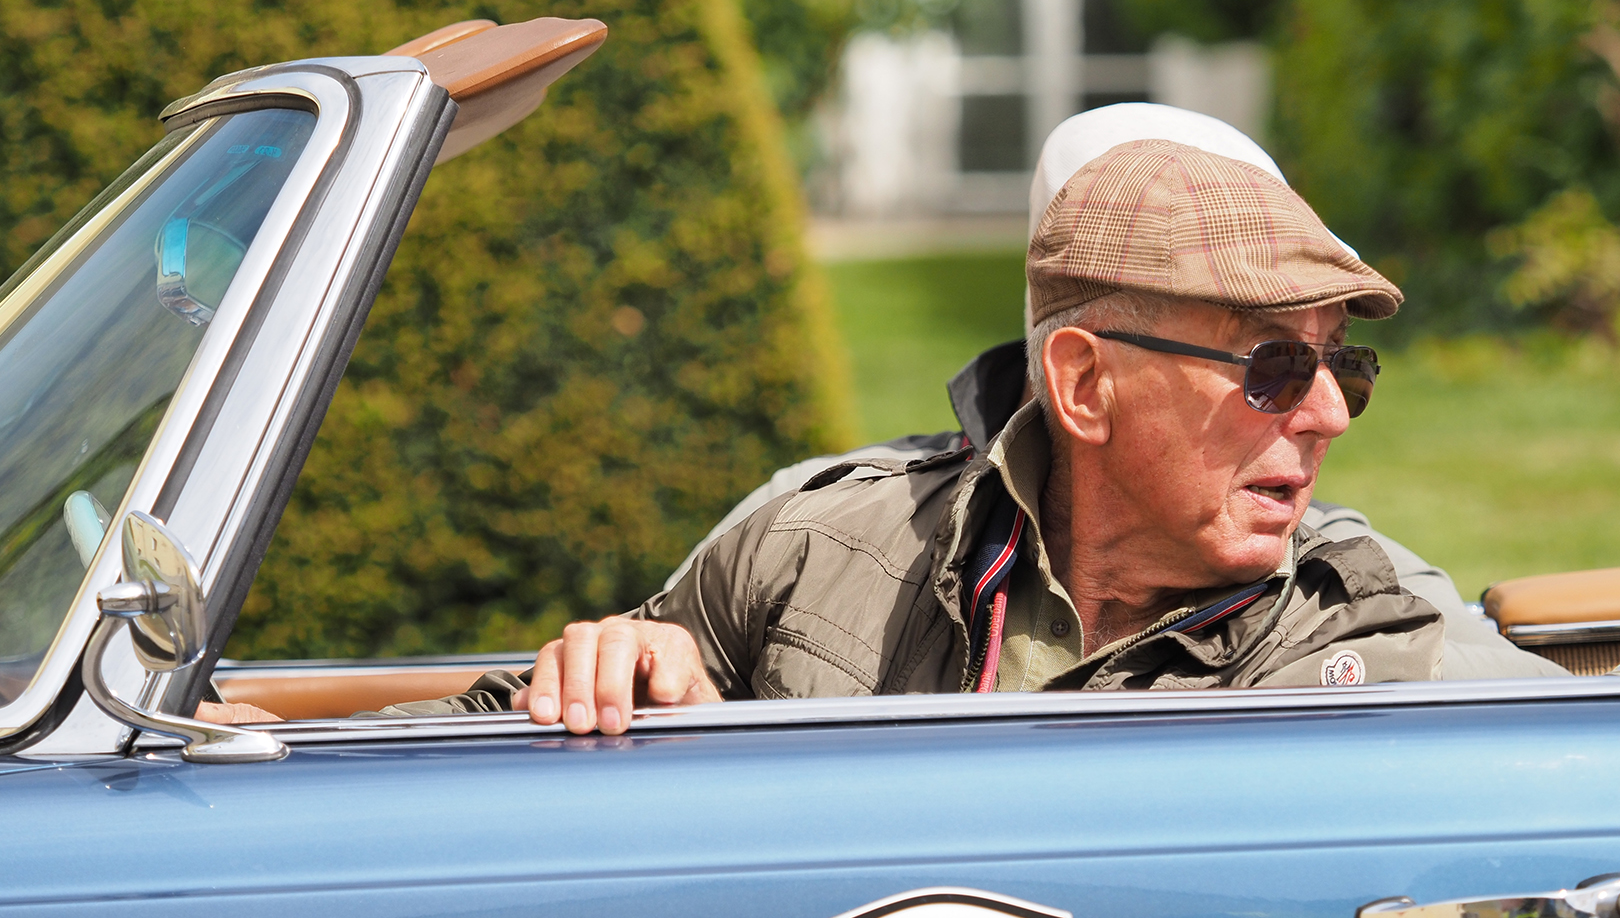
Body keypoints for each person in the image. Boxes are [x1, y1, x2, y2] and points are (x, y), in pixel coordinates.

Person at [491, 132, 1462, 735]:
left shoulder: (1360, 637)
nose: (1330, 413)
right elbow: (462, 766)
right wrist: (613, 678)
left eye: (1343, 365)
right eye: (1274, 366)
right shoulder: (813, 546)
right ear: (1084, 386)